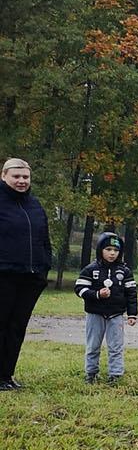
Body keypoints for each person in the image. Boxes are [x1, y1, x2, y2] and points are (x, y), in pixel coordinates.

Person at [0, 158, 51, 390]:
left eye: (25, 177)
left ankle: (7, 375)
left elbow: (44, 240)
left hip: (30, 278)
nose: (21, 181)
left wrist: (44, 268)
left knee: (17, 327)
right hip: (5, 275)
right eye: (16, 176)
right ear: (4, 176)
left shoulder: (35, 206)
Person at [74, 231, 137, 384]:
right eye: (108, 249)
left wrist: (132, 314)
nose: (112, 253)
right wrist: (96, 294)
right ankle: (91, 373)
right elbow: (79, 289)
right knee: (93, 345)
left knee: (116, 346)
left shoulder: (125, 271)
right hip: (95, 314)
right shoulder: (91, 269)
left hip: (116, 315)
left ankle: (115, 374)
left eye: (116, 250)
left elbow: (131, 293)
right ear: (100, 250)